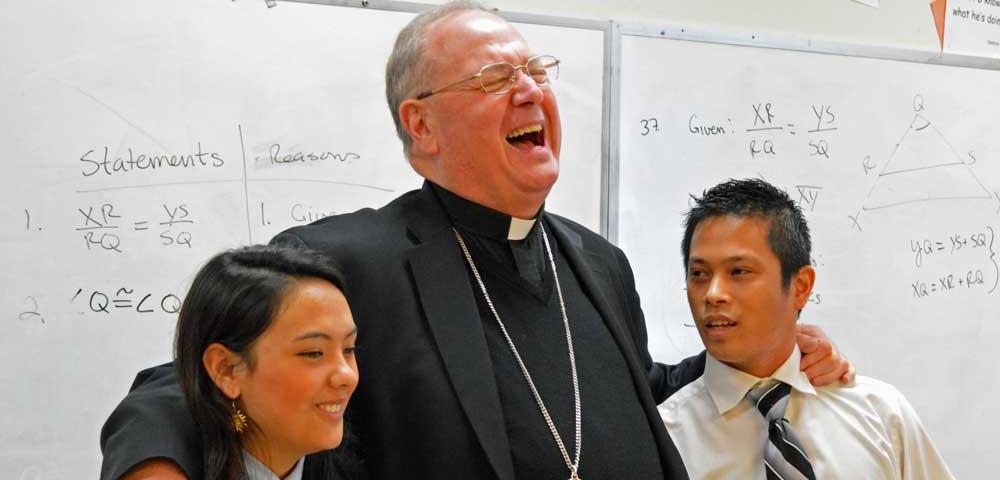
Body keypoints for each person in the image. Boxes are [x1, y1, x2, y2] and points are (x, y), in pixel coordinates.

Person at [100, 3, 852, 479]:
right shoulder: (352, 260)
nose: (531, 90)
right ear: (420, 124)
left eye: (536, 70)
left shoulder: (598, 262)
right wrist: (158, 463)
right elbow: (186, 378)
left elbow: (613, 391)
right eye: (496, 77)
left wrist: (766, 358)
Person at [659, 178, 953, 479]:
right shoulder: (662, 438)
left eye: (739, 271)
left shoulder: (881, 414)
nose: (713, 293)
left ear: (800, 286)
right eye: (699, 274)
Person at [101, 245, 361, 480]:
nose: (346, 375)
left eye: (349, 349)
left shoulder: (345, 458)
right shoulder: (165, 455)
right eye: (313, 353)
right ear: (226, 369)